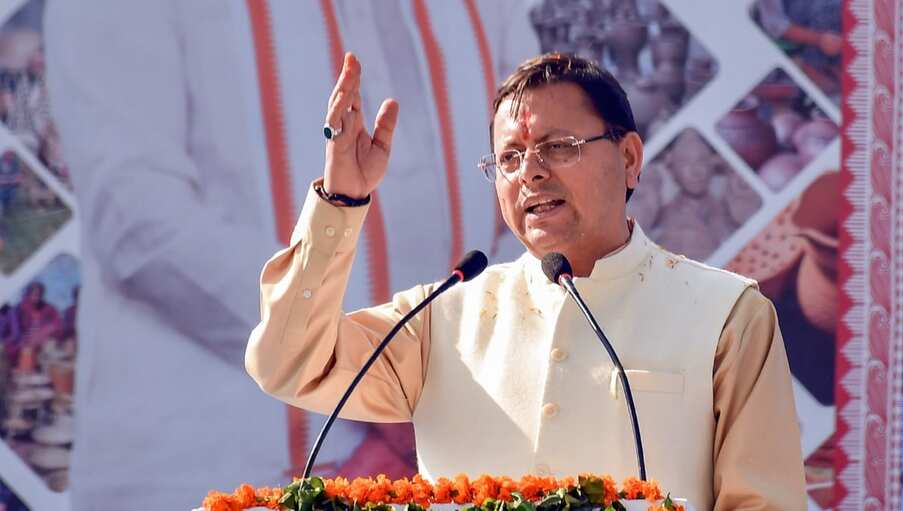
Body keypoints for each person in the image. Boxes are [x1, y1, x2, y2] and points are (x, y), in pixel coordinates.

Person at [246, 53, 809, 511]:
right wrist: (340, 202)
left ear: (630, 158)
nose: (531, 172)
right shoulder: (442, 316)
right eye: (509, 158)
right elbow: (288, 364)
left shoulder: (725, 314)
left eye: (559, 147)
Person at [44, 1, 537, 509]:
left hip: (455, 444)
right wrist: (384, 370)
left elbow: (534, 187)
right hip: (213, 461)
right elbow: (138, 222)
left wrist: (441, 372)